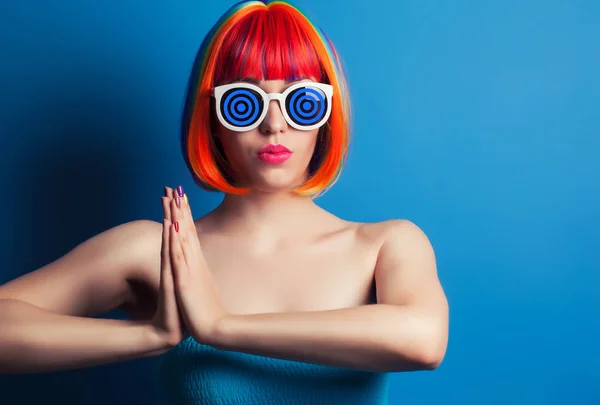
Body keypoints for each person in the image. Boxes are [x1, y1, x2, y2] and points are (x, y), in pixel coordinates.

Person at [0, 1, 449, 403]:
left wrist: (219, 327)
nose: (275, 125)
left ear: (325, 120)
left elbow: (424, 341)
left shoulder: (386, 246)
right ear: (212, 119)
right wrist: (150, 336)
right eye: (244, 102)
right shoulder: (163, 251)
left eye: (302, 102)